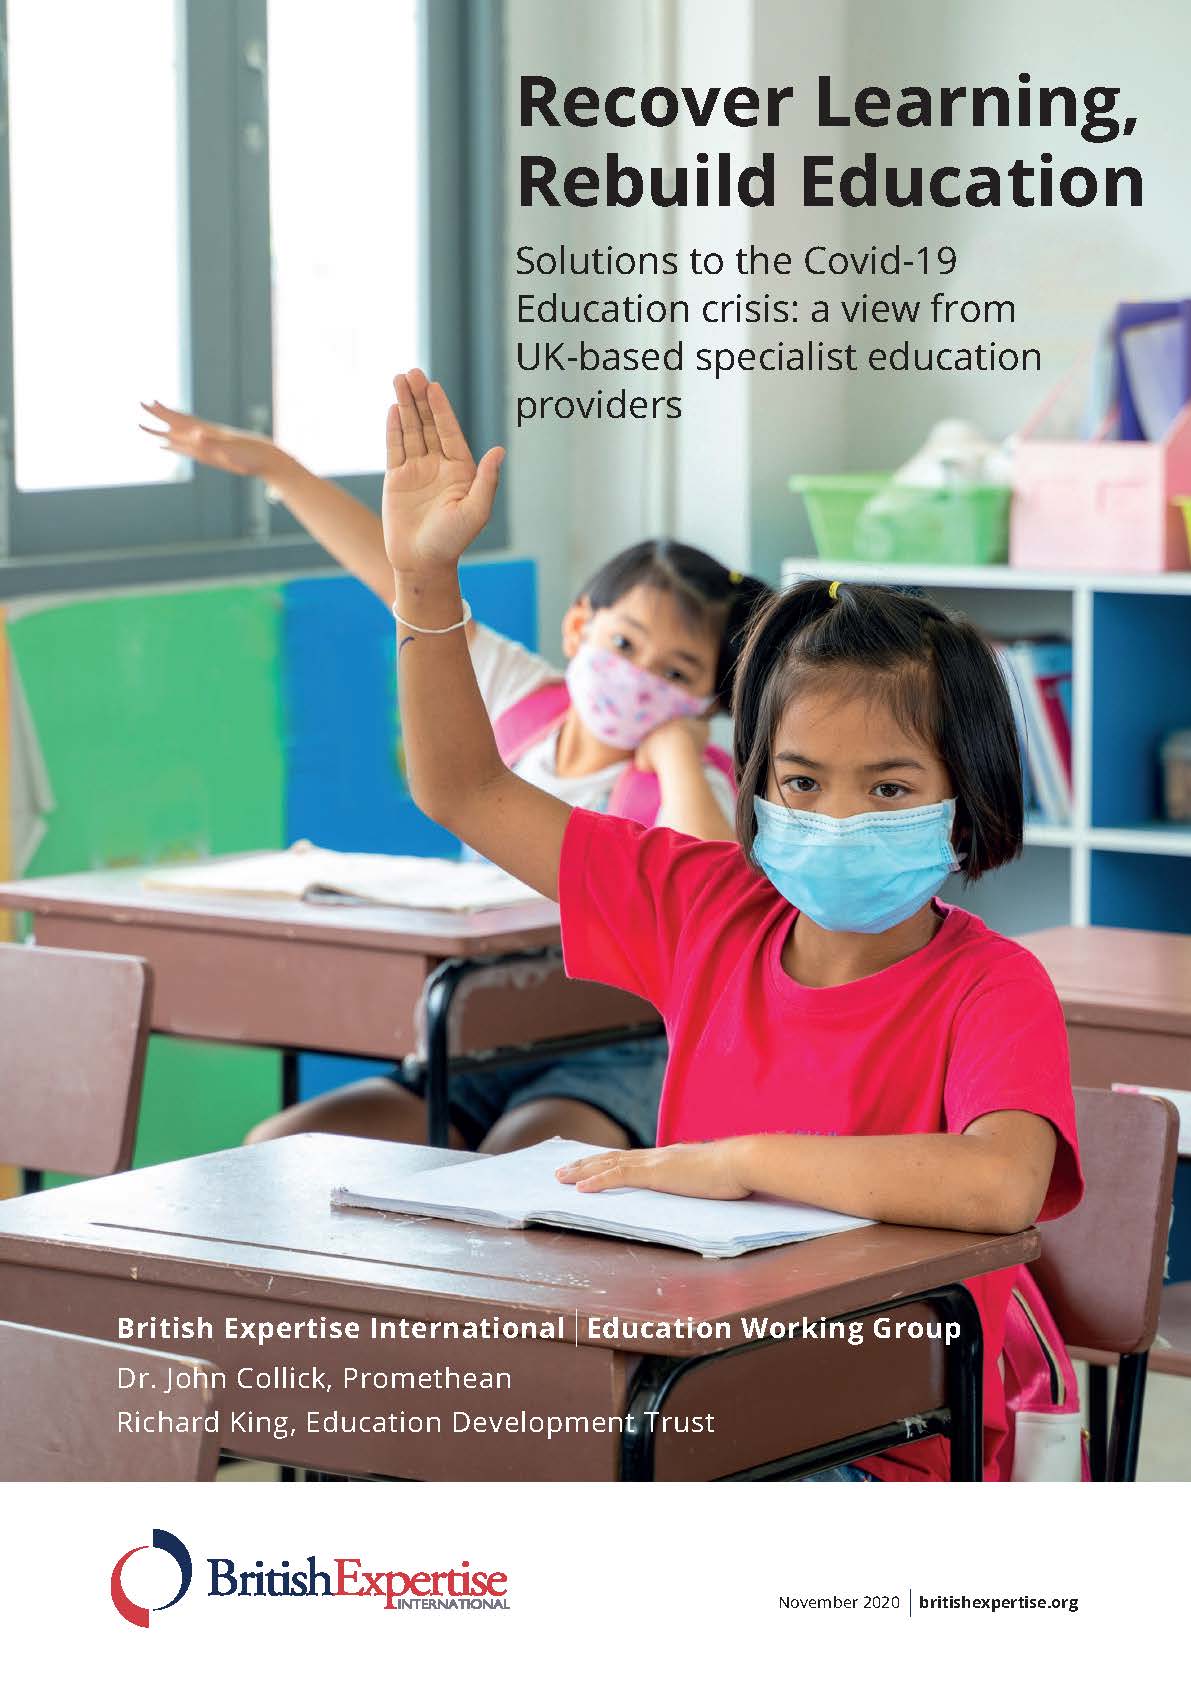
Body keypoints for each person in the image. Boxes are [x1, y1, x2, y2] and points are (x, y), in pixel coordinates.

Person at [381, 371, 1083, 1482]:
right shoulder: (705, 905)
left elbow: (997, 1183)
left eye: (890, 788)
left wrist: (737, 1163)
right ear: (754, 780)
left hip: (887, 1444)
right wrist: (425, 577)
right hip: (693, 1393)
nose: (836, 817)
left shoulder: (992, 986)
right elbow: (463, 787)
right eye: (799, 782)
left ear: (973, 793)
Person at [142, 374, 770, 1154]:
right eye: (625, 643)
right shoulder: (519, 700)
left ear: (708, 698)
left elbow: (708, 901)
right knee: (280, 1145)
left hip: (616, 1048)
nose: (640, 675)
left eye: (676, 673)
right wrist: (279, 470)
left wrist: (677, 755)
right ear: (579, 624)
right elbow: (401, 579)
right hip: (473, 1034)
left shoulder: (691, 779)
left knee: (528, 1165)